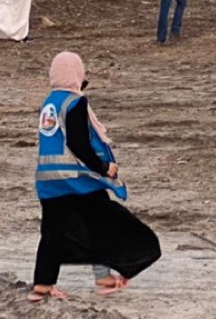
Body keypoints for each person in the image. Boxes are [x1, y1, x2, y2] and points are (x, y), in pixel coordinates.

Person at [29, 51, 161, 303]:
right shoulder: (75, 103)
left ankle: (43, 285)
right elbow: (78, 144)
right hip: (77, 180)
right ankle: (113, 271)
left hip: (48, 180)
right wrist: (103, 167)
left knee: (53, 233)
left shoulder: (49, 103)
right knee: (106, 222)